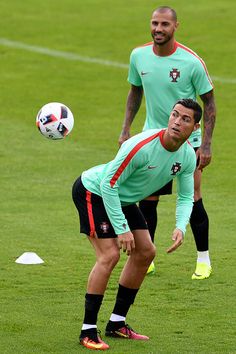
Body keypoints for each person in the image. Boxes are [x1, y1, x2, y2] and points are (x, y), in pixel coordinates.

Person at [72, 99, 202, 350]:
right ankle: (88, 330)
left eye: (185, 119)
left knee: (146, 252)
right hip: (94, 191)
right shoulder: (141, 146)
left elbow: (186, 196)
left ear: (195, 128)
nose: (177, 121)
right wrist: (121, 229)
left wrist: (180, 226)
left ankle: (117, 323)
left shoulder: (186, 155)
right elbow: (108, 183)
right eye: (175, 115)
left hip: (123, 197)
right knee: (109, 255)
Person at [119, 6, 216, 279]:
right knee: (147, 201)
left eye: (164, 24)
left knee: (193, 198)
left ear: (176, 27)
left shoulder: (191, 62)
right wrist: (126, 129)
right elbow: (134, 91)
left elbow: (209, 103)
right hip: (153, 140)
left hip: (188, 143)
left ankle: (203, 260)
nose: (158, 29)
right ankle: (146, 257)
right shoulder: (138, 56)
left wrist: (205, 145)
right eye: (154, 23)